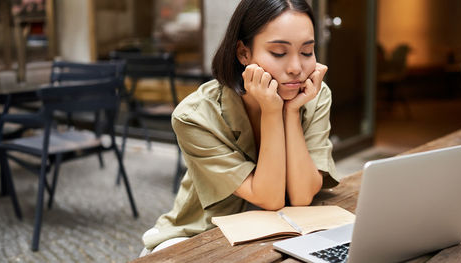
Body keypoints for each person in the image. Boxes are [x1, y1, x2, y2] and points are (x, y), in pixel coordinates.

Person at [140, 0, 340, 256]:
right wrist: (270, 111)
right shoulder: (195, 116)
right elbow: (270, 198)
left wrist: (290, 113)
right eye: (279, 53)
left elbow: (302, 196)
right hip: (201, 235)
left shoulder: (315, 95)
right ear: (243, 53)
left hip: (280, 231)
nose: (296, 69)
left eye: (307, 52)